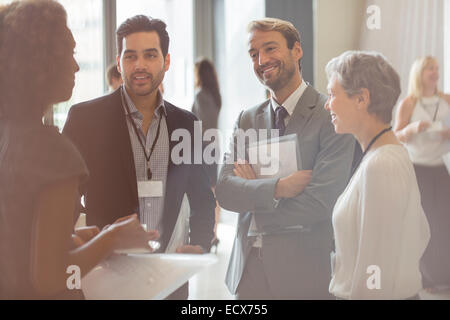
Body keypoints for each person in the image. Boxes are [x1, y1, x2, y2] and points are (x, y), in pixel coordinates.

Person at [0, 0, 158, 300]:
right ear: (42, 61)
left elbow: (16, 237)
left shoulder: (7, 136)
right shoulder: (52, 152)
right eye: (70, 52)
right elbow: (49, 278)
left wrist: (74, 239)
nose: (74, 65)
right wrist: (112, 238)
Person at [63, 15, 215, 299]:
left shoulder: (187, 125)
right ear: (119, 62)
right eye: (130, 56)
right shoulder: (85, 119)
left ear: (166, 61)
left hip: (169, 278)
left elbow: (203, 199)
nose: (140, 65)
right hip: (105, 275)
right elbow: (66, 202)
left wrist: (202, 243)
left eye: (150, 55)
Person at [215, 18, 355, 299]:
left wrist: (253, 199)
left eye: (270, 49)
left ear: (297, 51)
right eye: (254, 54)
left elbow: (320, 203)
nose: (261, 60)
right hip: (249, 274)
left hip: (304, 273)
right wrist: (279, 188)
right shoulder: (247, 119)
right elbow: (225, 190)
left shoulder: (331, 117)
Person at [325, 51, 430, 299]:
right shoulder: (386, 155)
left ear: (361, 99)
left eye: (332, 94)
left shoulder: (381, 164)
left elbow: (375, 274)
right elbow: (422, 231)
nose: (327, 104)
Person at [394, 56, 450, 291]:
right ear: (419, 72)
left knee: (444, 222)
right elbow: (396, 135)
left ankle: (444, 277)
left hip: (440, 167)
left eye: (436, 68)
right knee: (424, 223)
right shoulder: (409, 103)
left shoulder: (446, 100)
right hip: (417, 169)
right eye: (430, 68)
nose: (435, 72)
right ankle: (426, 279)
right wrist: (413, 128)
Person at [192, 57, 222, 246]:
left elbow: (199, 124)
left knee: (204, 191)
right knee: (213, 190)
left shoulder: (201, 94)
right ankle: (214, 232)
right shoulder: (215, 94)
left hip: (202, 146)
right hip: (213, 145)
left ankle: (209, 233)